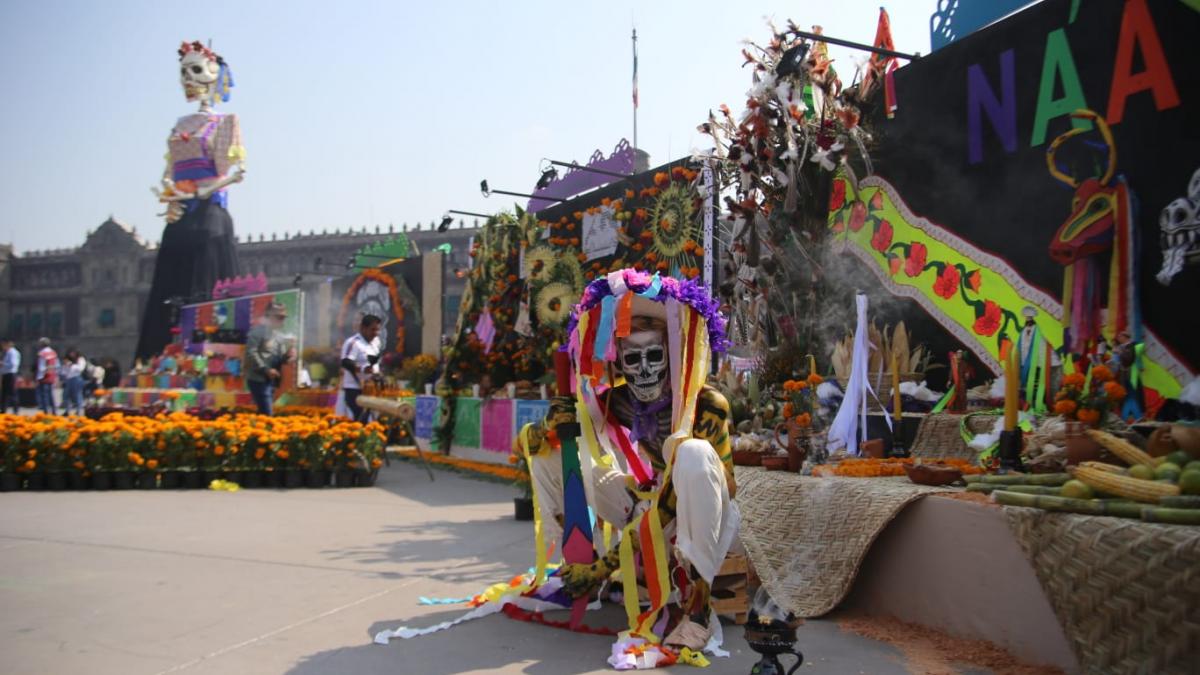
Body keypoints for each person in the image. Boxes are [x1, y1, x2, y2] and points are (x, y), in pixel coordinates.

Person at [136, 41, 245, 360]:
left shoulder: (226, 122)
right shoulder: (179, 125)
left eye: (196, 70)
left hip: (210, 215)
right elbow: (168, 169)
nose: (188, 78)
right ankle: (160, 359)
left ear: (214, 75)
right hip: (180, 214)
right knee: (169, 287)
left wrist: (198, 191)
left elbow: (236, 172)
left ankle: (212, 357)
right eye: (184, 72)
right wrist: (169, 191)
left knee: (207, 283)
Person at [244, 302, 293, 415]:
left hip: (271, 380)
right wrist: (266, 369)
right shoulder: (257, 332)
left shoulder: (279, 335)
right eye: (279, 317)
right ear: (268, 316)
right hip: (258, 379)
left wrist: (288, 356)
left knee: (264, 413)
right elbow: (251, 353)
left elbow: (279, 359)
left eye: (283, 317)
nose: (282, 320)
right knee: (267, 414)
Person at [337, 314, 383, 421]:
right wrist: (363, 369)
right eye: (373, 330)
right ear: (363, 328)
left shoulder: (376, 343)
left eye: (378, 330)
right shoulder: (353, 342)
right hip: (354, 389)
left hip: (371, 388)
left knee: (371, 419)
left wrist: (378, 375)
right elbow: (346, 362)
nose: (376, 333)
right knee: (359, 419)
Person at [60, 348, 87, 415]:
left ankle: (78, 410)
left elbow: (81, 368)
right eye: (70, 353)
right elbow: (63, 371)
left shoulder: (80, 359)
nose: (72, 355)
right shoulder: (67, 360)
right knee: (66, 395)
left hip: (76, 378)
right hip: (68, 379)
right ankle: (67, 410)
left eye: (73, 353)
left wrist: (72, 365)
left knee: (77, 395)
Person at [34, 337, 58, 415]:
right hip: (51, 375)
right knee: (51, 395)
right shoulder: (53, 352)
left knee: (44, 395)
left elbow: (41, 366)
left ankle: (46, 412)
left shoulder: (42, 353)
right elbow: (55, 364)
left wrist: (39, 376)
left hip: (44, 376)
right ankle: (54, 411)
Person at [1, 339, 19, 413]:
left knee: (12, 393)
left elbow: (13, 364)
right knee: (4, 393)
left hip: (10, 374)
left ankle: (15, 410)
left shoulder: (12, 352)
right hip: (6, 374)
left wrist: (2, 364)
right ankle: (3, 409)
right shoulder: (8, 352)